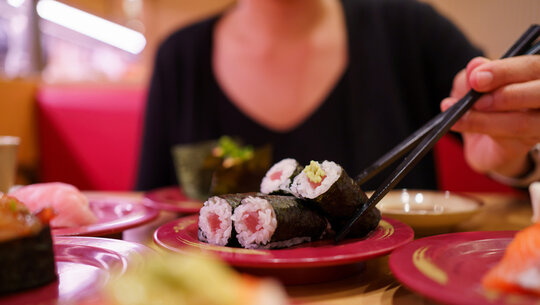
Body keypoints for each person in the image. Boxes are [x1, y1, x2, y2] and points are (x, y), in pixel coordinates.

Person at [135, 0, 540, 192]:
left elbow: (508, 133)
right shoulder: (179, 58)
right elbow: (148, 215)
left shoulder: (410, 31)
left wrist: (516, 157)